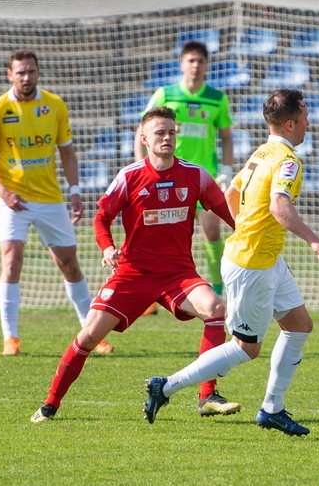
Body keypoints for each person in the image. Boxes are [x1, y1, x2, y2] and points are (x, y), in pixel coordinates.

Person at [143, 89, 319, 436]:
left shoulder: (262, 153)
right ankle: (166, 386)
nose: (309, 122)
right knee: (246, 349)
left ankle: (272, 409)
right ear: (290, 123)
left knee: (299, 325)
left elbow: (230, 193)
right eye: (305, 117)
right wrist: (314, 240)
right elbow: (279, 207)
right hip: (253, 266)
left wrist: (245, 228)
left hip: (265, 259)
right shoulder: (288, 161)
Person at [31, 106, 240, 423]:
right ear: (144, 138)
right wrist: (107, 247)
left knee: (215, 309)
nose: (167, 137)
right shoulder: (129, 177)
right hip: (133, 274)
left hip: (178, 274)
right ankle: (50, 403)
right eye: (160, 132)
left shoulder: (196, 175)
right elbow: (101, 218)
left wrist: (246, 232)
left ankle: (207, 395)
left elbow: (225, 211)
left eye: (171, 132)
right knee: (88, 336)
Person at [0, 49, 112, 356]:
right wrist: (4, 192)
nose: (26, 77)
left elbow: (67, 152)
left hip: (50, 198)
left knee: (69, 264)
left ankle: (92, 333)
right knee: (11, 260)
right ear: (9, 75)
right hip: (12, 200)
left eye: (30, 71)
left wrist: (75, 190)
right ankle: (10, 338)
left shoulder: (54, 105)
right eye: (20, 72)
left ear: (38, 73)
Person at [135, 40, 233, 300]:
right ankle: (153, 289)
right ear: (182, 64)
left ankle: (219, 287)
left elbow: (227, 136)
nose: (196, 65)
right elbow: (141, 129)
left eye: (200, 61)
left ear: (207, 66)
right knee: (163, 233)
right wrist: (140, 164)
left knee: (212, 232)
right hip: (169, 177)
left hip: (204, 176)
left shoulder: (217, 98)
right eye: (191, 60)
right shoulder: (165, 94)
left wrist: (226, 168)